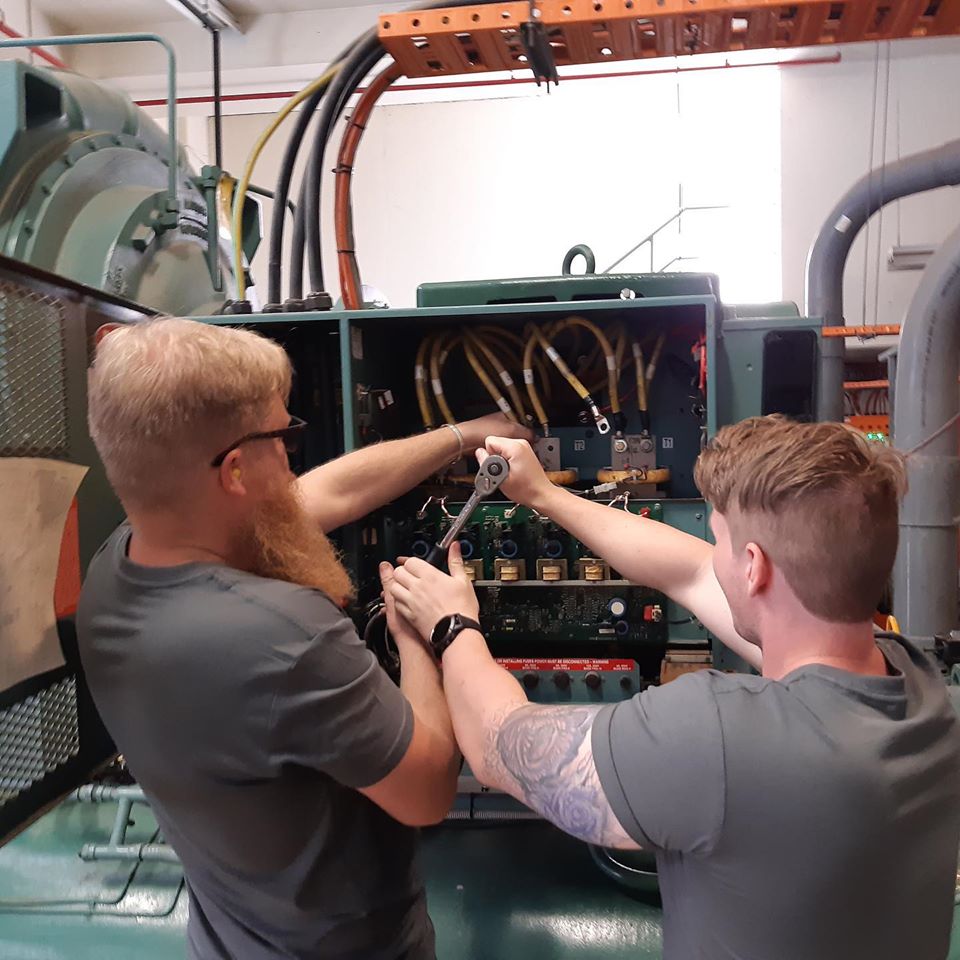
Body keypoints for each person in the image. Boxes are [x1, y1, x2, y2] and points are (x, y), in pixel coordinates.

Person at [383, 416, 960, 960]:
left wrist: (452, 624)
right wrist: (544, 495)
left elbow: (497, 746)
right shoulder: (921, 686)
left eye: (722, 541)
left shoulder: (720, 739)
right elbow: (689, 570)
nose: (715, 557)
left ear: (755, 568)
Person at [77, 316, 530, 960]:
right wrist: (426, 636)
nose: (291, 453)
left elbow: (322, 493)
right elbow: (428, 791)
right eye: (284, 434)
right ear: (234, 471)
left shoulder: (117, 563)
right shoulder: (284, 638)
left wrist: (460, 437)